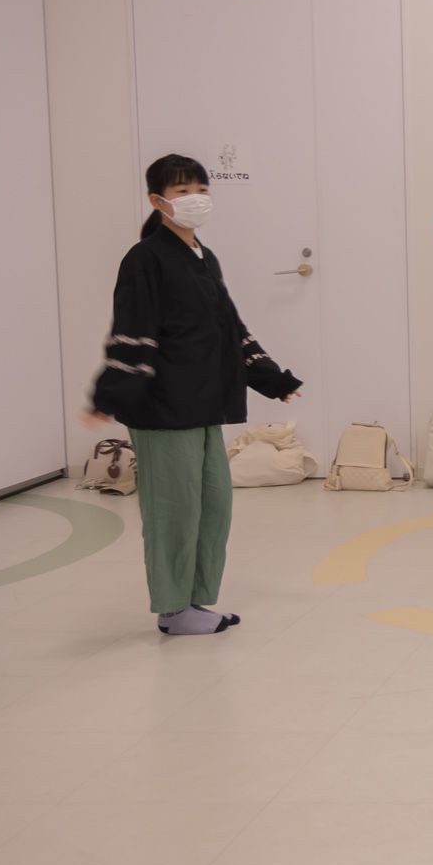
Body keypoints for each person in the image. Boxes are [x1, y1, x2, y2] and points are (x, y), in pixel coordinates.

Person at [83, 155, 304, 635]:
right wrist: (110, 395)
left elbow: (229, 326)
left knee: (212, 504)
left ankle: (193, 601)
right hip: (162, 406)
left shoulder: (204, 256)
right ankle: (172, 610)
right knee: (174, 510)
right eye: (182, 191)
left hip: (202, 402)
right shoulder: (144, 258)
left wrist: (272, 379)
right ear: (157, 200)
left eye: (201, 188)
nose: (195, 198)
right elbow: (131, 329)